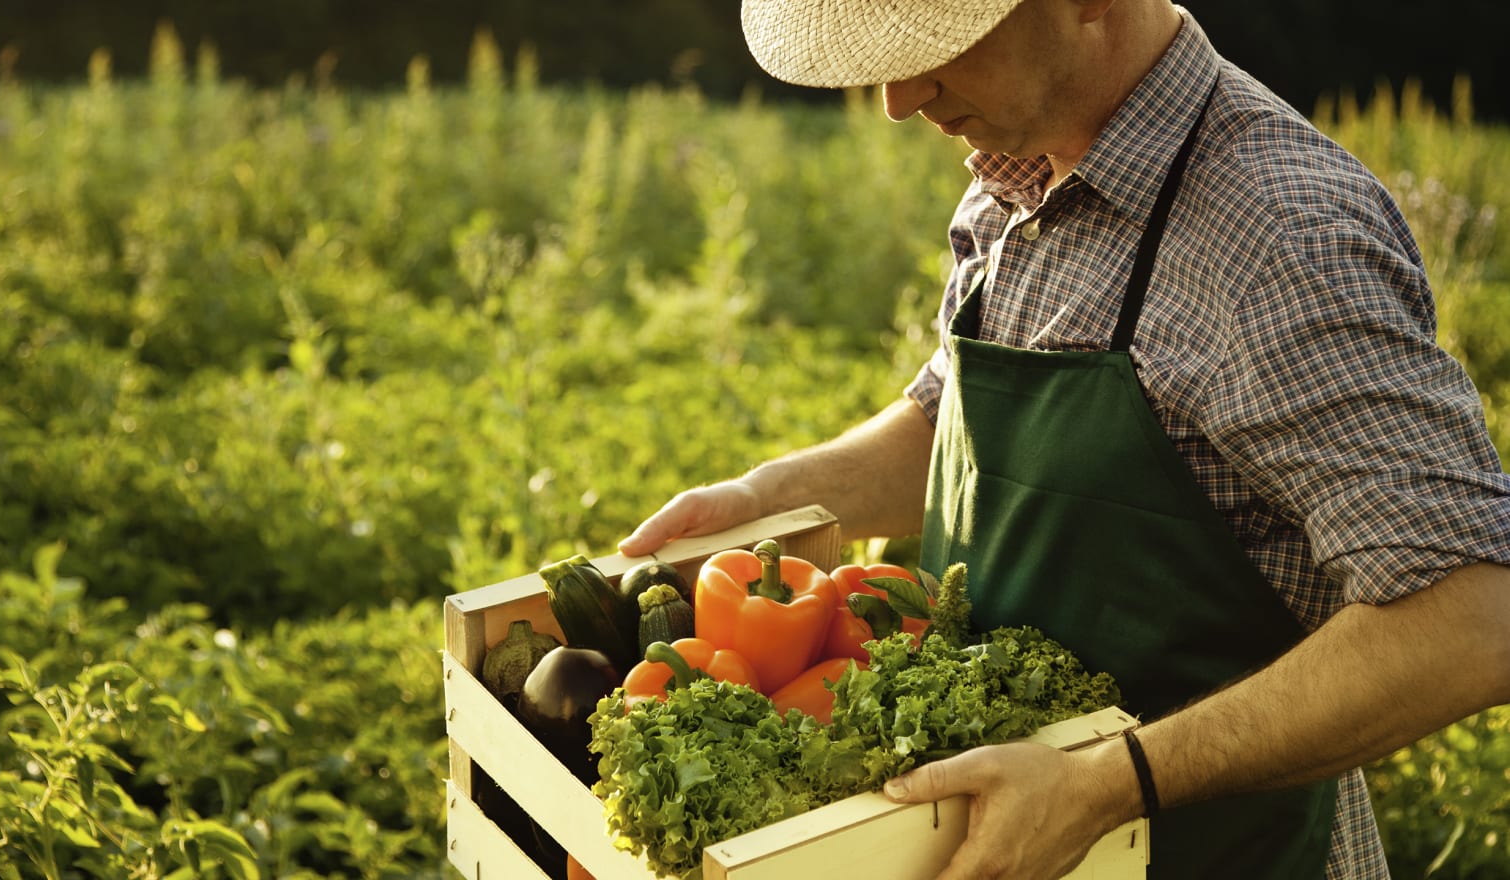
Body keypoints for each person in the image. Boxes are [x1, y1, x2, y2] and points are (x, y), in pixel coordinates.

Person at [618, 0, 1510, 877]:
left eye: (942, 38)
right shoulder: (1013, 172)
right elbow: (956, 425)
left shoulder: (1278, 235)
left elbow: (1473, 616)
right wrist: (766, 496)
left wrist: (1109, 784)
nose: (896, 98)